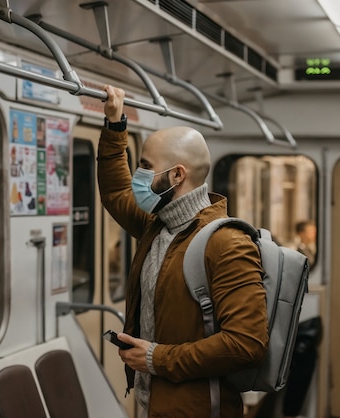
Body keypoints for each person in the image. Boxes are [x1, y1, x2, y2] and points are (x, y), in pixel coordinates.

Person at [97, 85, 269, 418]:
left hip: (200, 409)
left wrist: (154, 359)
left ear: (177, 175)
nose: (139, 176)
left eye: (146, 167)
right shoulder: (157, 227)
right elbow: (117, 192)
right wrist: (115, 127)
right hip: (155, 405)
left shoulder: (226, 244)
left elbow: (246, 344)